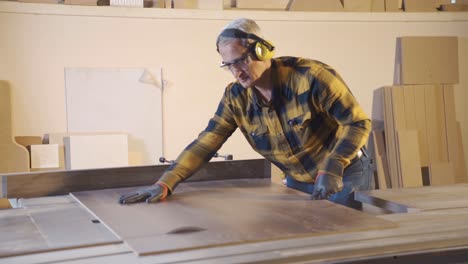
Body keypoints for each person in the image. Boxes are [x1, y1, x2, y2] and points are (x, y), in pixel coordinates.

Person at [119, 18, 373, 209]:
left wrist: (333, 166)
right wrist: (166, 182)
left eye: (241, 61)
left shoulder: (311, 77)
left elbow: (357, 123)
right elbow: (207, 141)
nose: (237, 72)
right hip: (297, 178)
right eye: (228, 65)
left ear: (263, 52)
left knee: (341, 238)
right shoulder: (236, 98)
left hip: (343, 171)